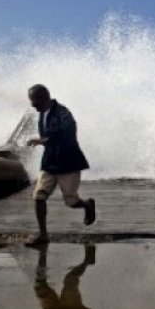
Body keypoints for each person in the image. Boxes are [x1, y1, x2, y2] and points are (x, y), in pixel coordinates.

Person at [25, 84, 95, 245]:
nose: (32, 105)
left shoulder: (64, 113)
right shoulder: (42, 113)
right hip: (49, 162)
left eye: (34, 101)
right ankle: (43, 235)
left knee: (70, 201)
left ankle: (87, 205)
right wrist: (43, 141)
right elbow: (48, 136)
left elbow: (68, 133)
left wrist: (43, 139)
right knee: (39, 196)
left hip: (69, 162)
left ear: (44, 98)